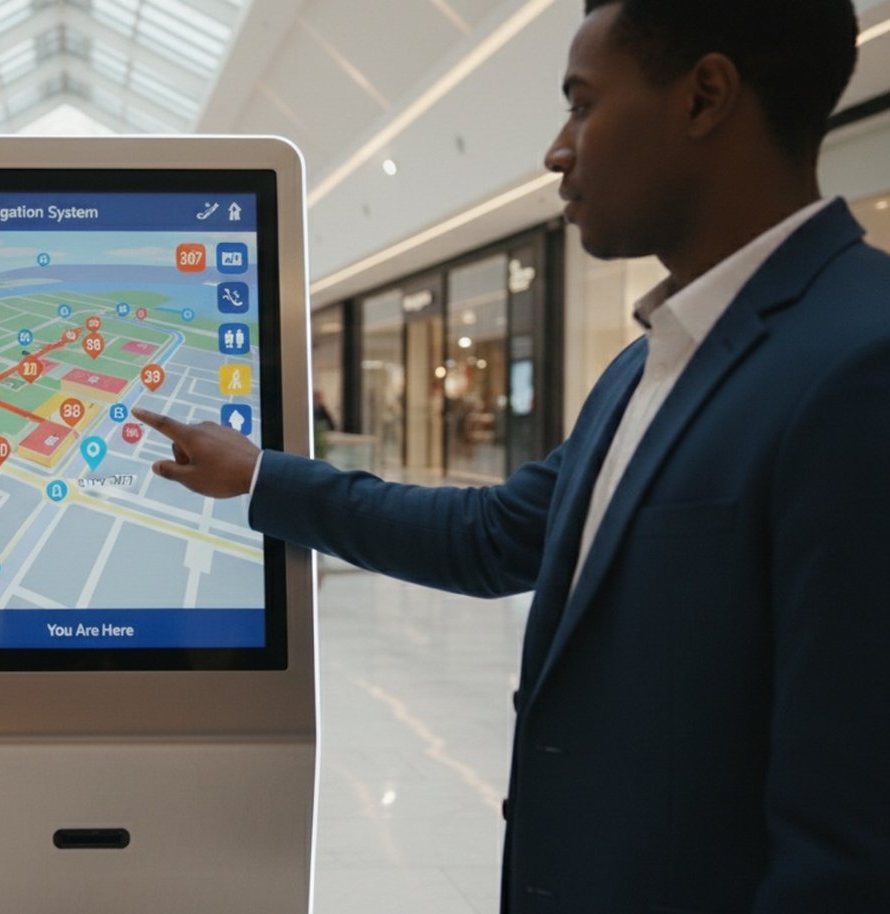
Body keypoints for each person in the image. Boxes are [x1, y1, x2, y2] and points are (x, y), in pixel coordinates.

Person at [137, 1, 890, 909]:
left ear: (705, 97)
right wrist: (259, 476)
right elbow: (496, 537)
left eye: (582, 103)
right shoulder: (650, 363)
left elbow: (851, 839)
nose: (557, 149)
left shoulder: (861, 365)